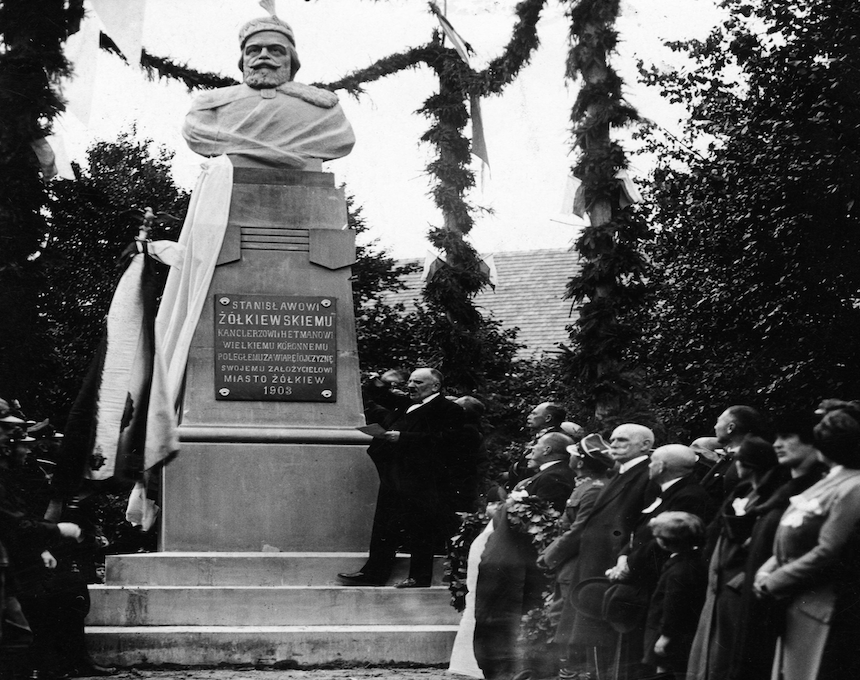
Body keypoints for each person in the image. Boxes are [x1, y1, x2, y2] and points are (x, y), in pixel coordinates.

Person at [754, 400, 860, 680]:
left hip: (821, 606)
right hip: (795, 601)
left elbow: (829, 549)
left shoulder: (854, 486)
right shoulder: (830, 481)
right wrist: (767, 568)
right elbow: (793, 535)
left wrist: (776, 579)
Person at [541, 423, 656, 680]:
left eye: (623, 441)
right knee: (592, 643)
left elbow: (638, 526)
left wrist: (624, 557)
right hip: (594, 564)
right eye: (612, 440)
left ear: (645, 446)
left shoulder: (645, 475)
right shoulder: (621, 473)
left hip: (613, 566)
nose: (613, 445)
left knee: (606, 645)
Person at [338, 368, 464, 588]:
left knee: (420, 527)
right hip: (394, 474)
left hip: (423, 478)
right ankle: (374, 574)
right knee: (384, 526)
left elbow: (449, 441)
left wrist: (403, 438)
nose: (411, 386)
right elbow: (379, 400)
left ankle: (419, 577)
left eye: (418, 382)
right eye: (411, 382)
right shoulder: (405, 404)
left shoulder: (448, 409)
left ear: (435, 386)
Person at [727, 412, 827, 680]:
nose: (778, 444)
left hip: (784, 602)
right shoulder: (784, 489)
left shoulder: (818, 490)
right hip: (760, 592)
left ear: (815, 443)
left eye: (787, 437)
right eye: (777, 438)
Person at [183, 12, 355, 168]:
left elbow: (341, 141)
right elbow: (195, 134)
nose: (264, 55)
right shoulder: (209, 104)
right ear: (243, 60)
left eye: (275, 50)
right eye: (254, 50)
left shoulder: (326, 110)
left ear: (291, 60)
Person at [473, 432, 577, 680]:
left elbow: (542, 522)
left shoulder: (555, 477)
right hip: (514, 560)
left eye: (536, 447)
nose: (530, 451)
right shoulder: (545, 475)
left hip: (523, 563)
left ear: (549, 450)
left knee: (513, 619)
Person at [687, 435, 780, 680]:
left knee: (727, 655)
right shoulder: (745, 491)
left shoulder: (767, 497)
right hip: (721, 581)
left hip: (737, 582)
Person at [540, 433, 614, 680]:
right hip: (571, 564)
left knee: (574, 627)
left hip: (580, 565)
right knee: (565, 623)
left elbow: (578, 531)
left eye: (573, 455)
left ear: (580, 462)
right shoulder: (585, 485)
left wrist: (550, 555)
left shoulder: (594, 490)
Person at [642, 512, 708, 680]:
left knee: (665, 670)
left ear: (664, 542)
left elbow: (673, 606)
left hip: (671, 635)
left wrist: (665, 636)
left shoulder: (678, 572)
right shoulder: (695, 561)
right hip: (685, 632)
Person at [701, 406, 764, 505]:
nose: (715, 427)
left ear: (730, 428)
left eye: (718, 422)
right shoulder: (730, 458)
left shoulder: (749, 461)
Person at [506, 402, 567, 491]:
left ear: (548, 418)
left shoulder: (557, 439)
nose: (528, 417)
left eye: (534, 414)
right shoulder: (541, 437)